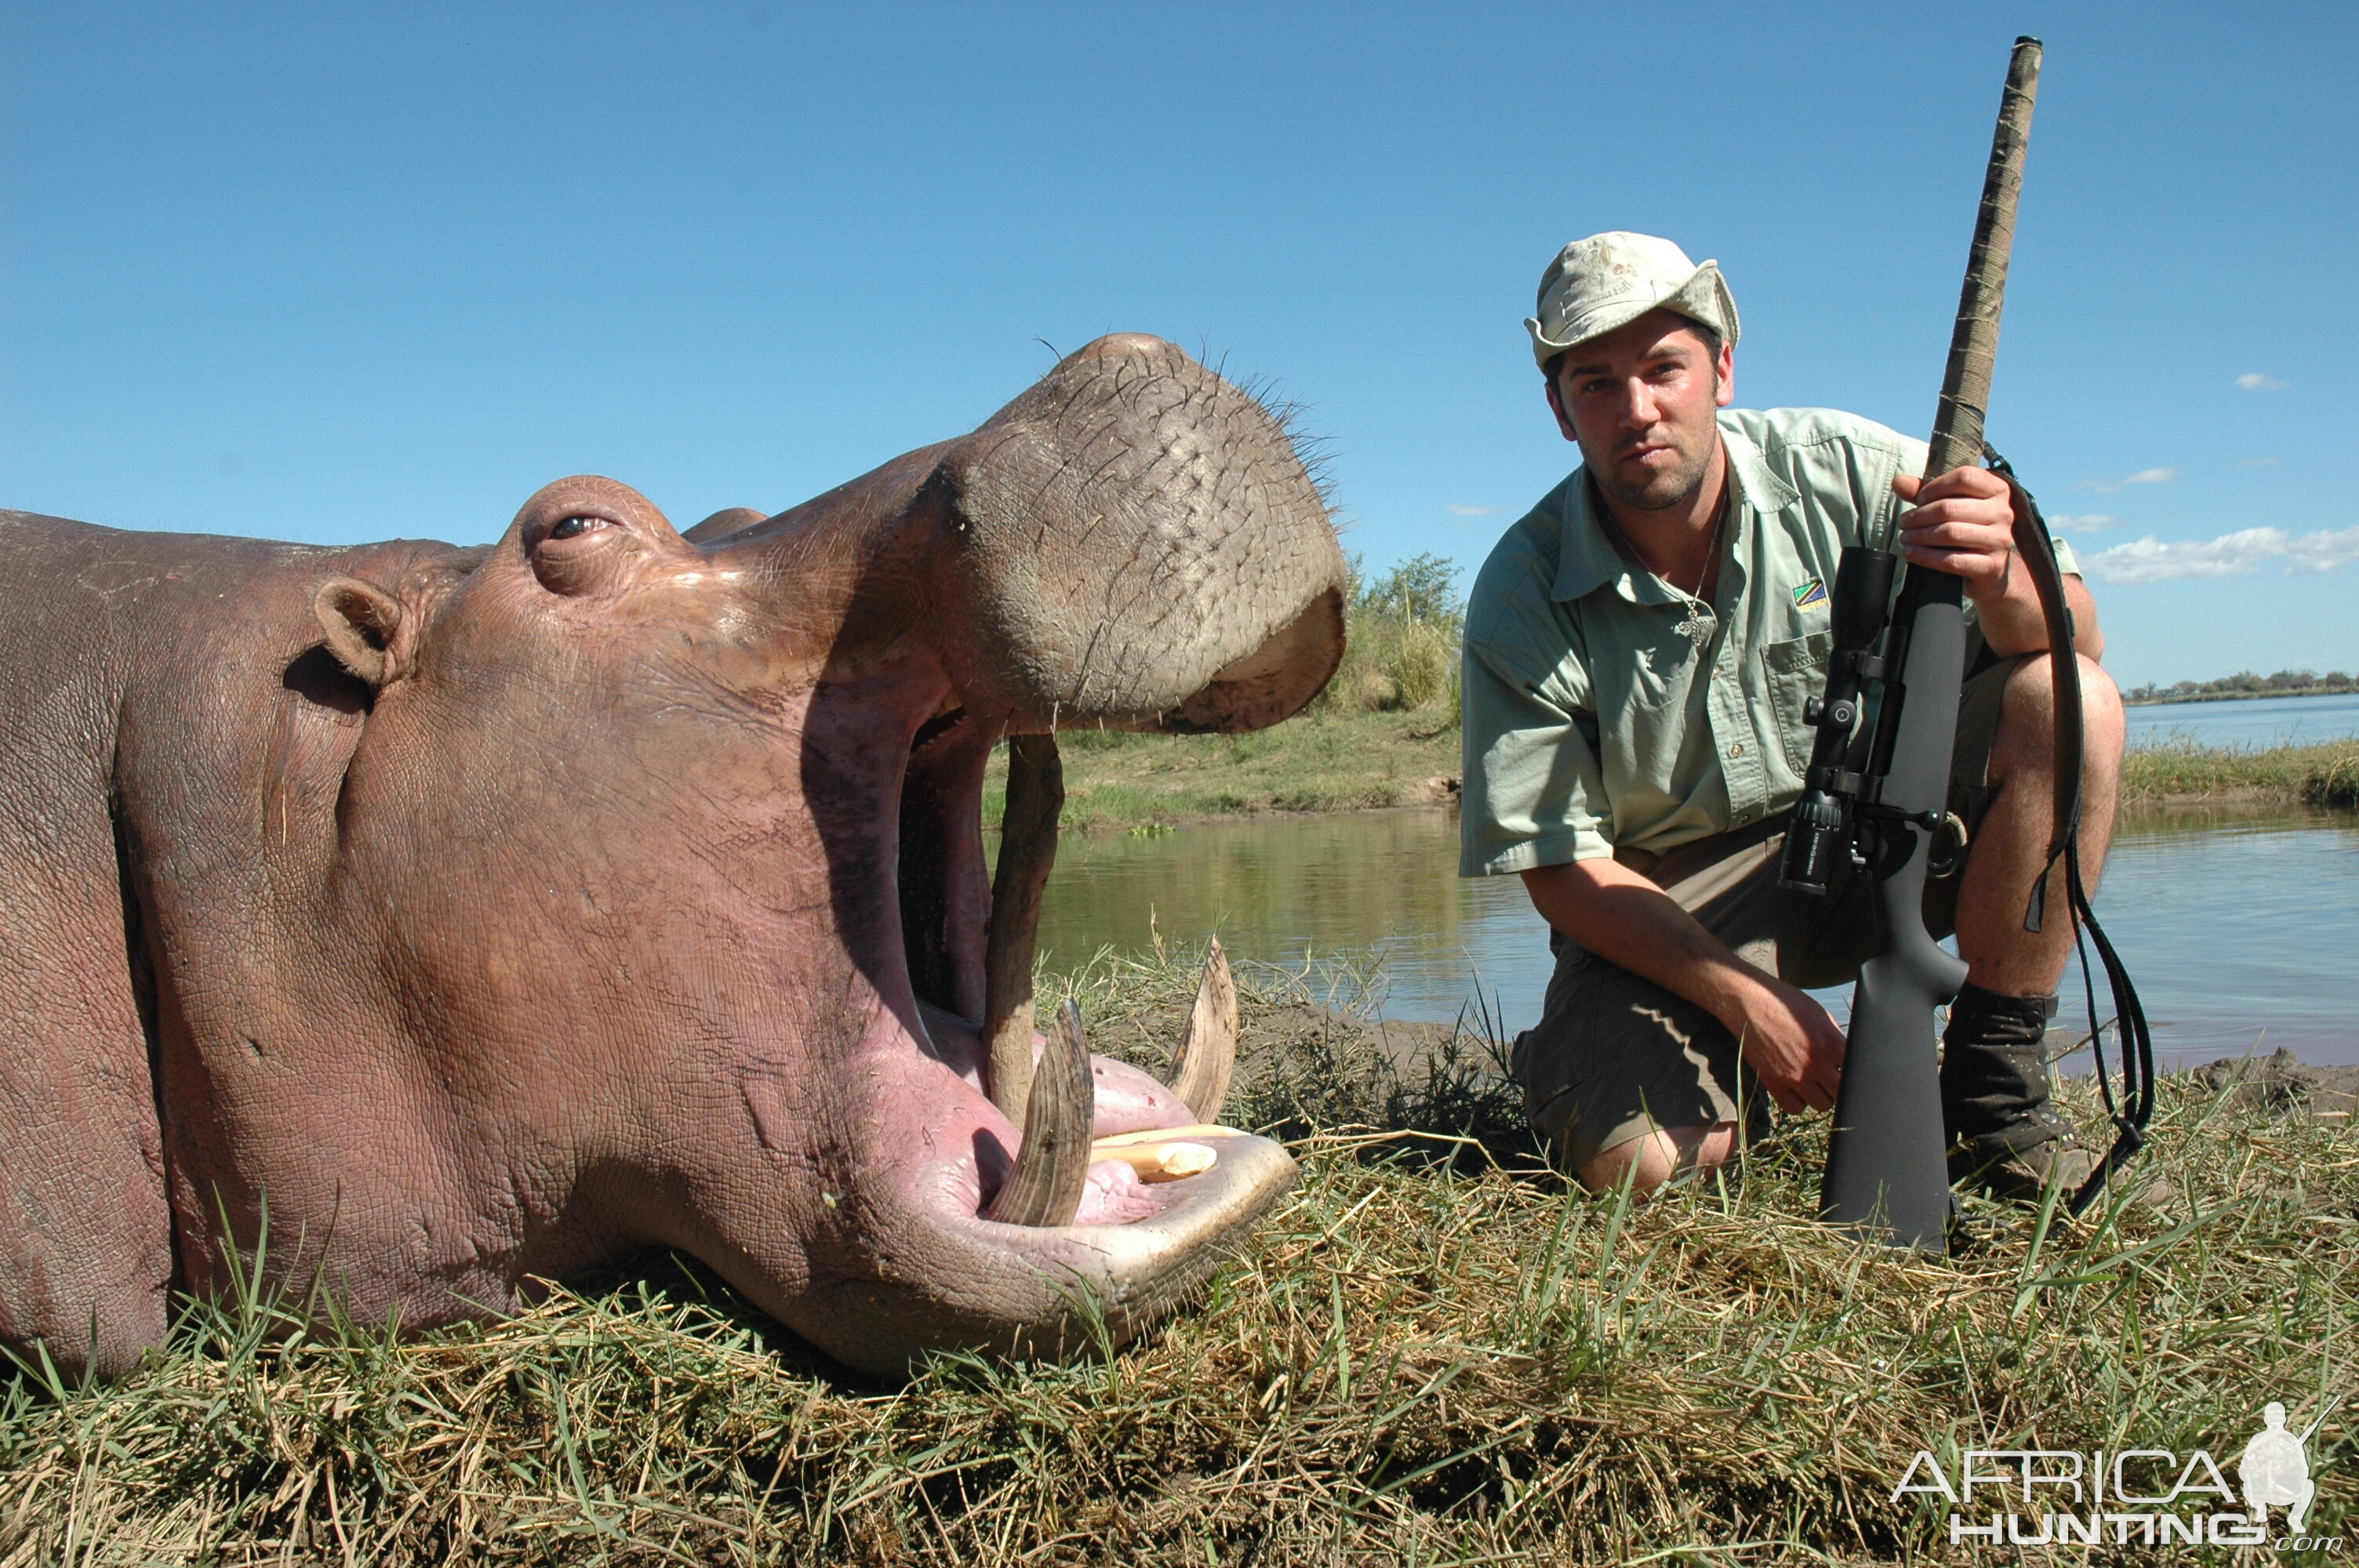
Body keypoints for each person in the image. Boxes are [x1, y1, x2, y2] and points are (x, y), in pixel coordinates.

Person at [1459, 231, 2125, 1201]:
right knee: (1640, 1164)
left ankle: (1992, 1088)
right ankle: (1683, 1069)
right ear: (1559, 411)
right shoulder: (1521, 589)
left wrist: (2004, 576)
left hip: (1876, 837)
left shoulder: (1848, 466)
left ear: (1721, 369)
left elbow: (2075, 640)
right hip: (1671, 896)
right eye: (1595, 383)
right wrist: (1751, 1005)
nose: (1635, 409)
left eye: (1662, 368)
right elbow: (1561, 867)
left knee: (2074, 702)